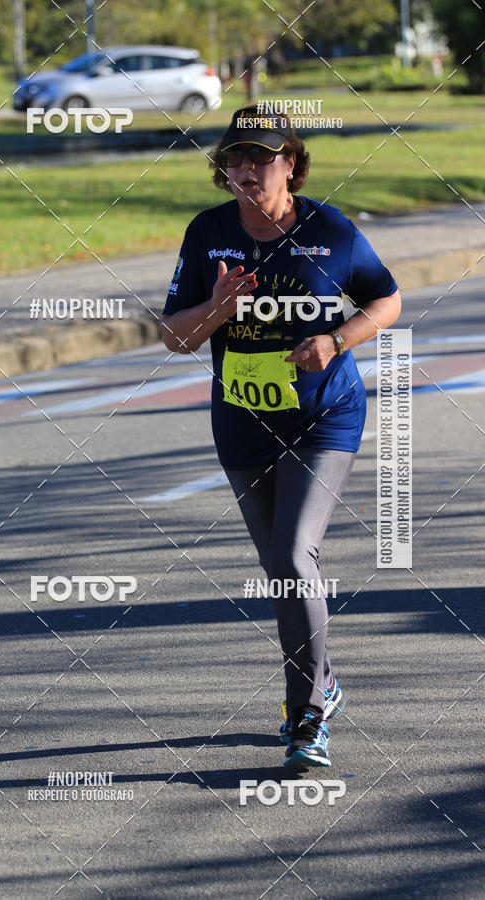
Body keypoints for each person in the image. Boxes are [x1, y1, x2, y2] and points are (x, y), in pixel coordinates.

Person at [160, 106, 401, 768]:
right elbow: (175, 337)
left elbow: (386, 299)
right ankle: (323, 681)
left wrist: (336, 339)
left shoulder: (331, 229)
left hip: (325, 416)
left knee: (295, 557)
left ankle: (305, 717)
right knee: (281, 572)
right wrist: (217, 308)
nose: (243, 170)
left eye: (259, 158)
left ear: (290, 162)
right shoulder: (207, 233)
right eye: (233, 159)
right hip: (242, 420)